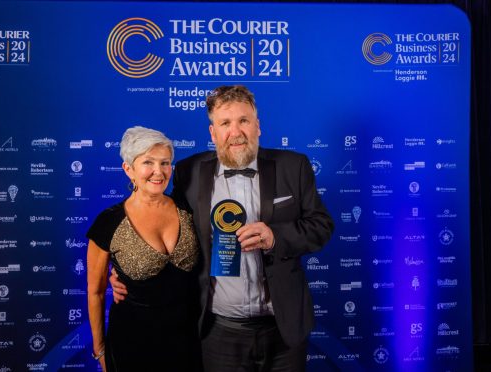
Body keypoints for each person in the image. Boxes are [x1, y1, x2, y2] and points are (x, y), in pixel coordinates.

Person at [112, 85, 334, 371]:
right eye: (225, 123)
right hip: (218, 331)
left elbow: (321, 226)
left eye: (244, 120)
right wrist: (127, 273)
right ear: (213, 133)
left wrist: (275, 237)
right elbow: (167, 233)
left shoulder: (294, 166)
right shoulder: (188, 172)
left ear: (258, 126)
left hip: (283, 328)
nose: (236, 131)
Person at [86, 126, 199, 372]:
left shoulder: (189, 209)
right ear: (129, 170)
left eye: (165, 163)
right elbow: (95, 292)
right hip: (131, 346)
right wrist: (100, 349)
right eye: (148, 162)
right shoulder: (109, 222)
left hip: (189, 342)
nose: (158, 172)